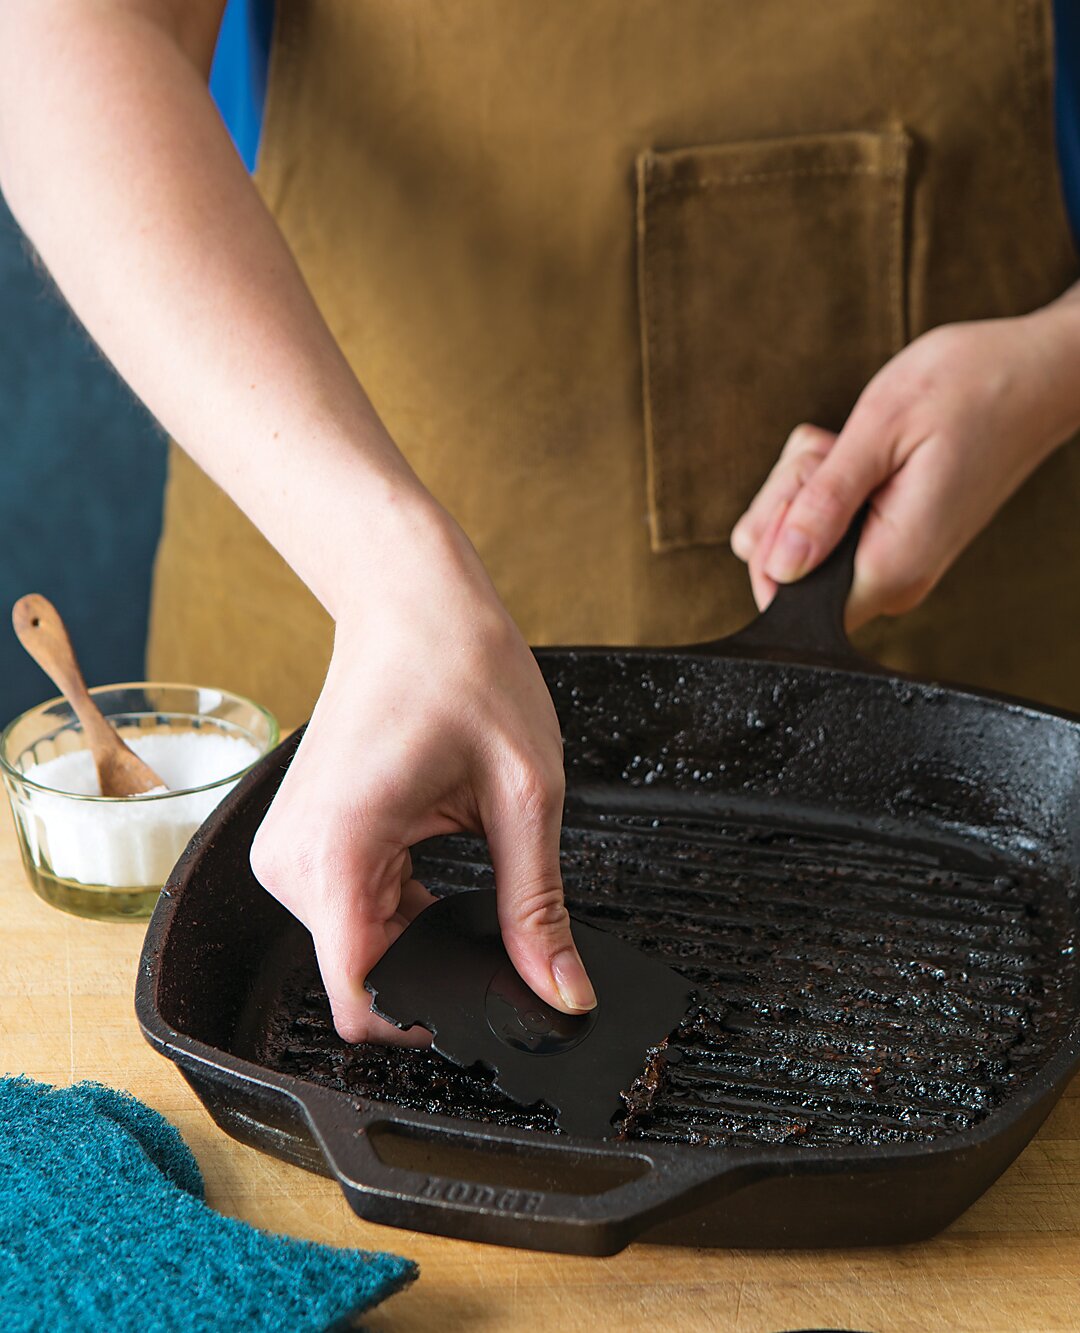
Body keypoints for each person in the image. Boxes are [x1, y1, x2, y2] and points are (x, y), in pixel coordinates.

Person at [2, 1, 1079, 1046]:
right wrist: (385, 574)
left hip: (962, 666)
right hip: (334, 626)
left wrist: (1053, 371)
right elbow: (61, 33)